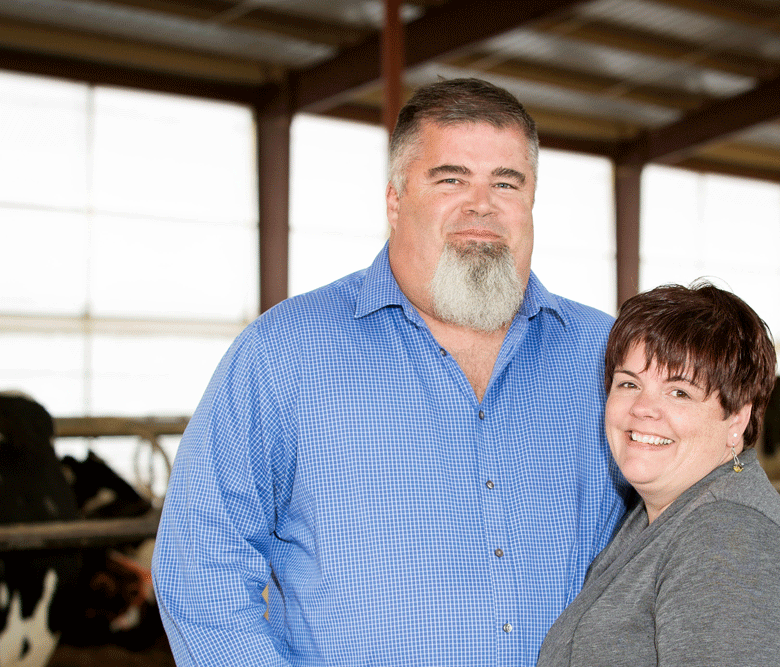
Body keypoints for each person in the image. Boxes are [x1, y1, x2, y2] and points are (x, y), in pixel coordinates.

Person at [151, 77, 627, 666]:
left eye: (506, 182)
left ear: (530, 202)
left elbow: (688, 518)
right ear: (396, 198)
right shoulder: (285, 354)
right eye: (450, 178)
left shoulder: (607, 357)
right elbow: (202, 562)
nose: (481, 204)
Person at [537, 282, 780, 667]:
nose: (642, 408)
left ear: (736, 417)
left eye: (679, 393)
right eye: (629, 383)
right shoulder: (664, 511)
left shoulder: (729, 537)